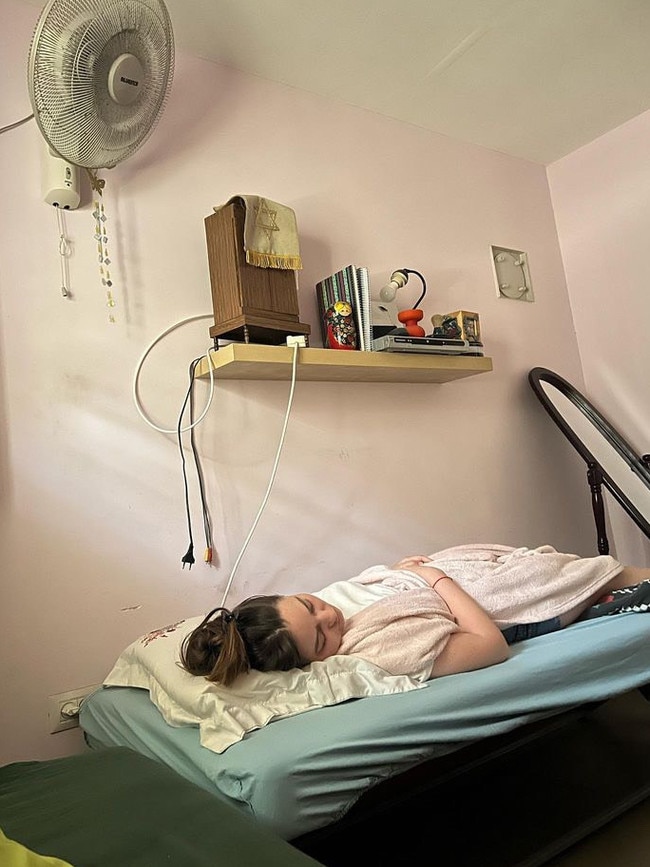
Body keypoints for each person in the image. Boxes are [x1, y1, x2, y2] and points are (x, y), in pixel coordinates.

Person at [179, 545, 650, 687]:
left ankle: (612, 589)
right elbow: (490, 646)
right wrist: (435, 578)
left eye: (311, 606)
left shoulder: (332, 598)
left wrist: (402, 570)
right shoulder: (374, 652)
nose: (330, 619)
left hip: (467, 572)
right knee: (607, 574)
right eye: (321, 639)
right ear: (313, 661)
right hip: (499, 601)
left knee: (608, 571)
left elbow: (375, 583)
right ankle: (606, 595)